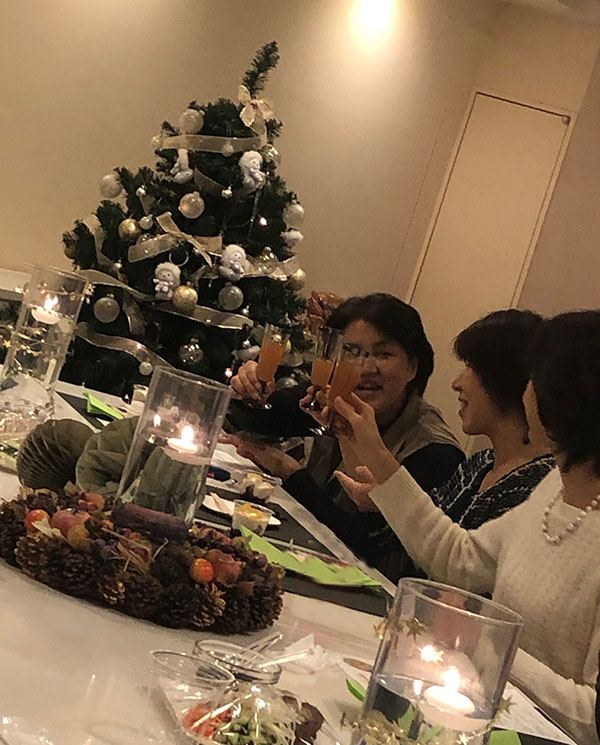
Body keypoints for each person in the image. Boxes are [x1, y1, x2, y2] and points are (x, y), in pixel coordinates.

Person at [329, 310, 600, 744]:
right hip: (481, 719)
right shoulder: (554, 486)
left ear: (565, 398)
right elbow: (460, 557)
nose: (525, 390)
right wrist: (372, 449)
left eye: (535, 378)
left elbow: (592, 715)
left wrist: (485, 641)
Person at [226, 293, 464, 580]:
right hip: (309, 561)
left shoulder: (434, 451)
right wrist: (249, 389)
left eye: (383, 354)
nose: (365, 368)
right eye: (351, 351)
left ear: (413, 367)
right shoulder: (336, 398)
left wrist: (291, 474)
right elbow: (263, 418)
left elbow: (372, 553)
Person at [337, 310, 553, 529]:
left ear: (503, 377)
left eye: (471, 367)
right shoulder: (480, 464)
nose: (456, 383)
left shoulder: (534, 485)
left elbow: (443, 547)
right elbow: (416, 535)